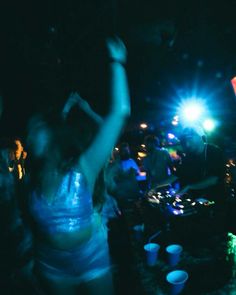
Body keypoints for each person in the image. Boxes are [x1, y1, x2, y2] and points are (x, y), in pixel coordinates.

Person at [26, 36, 130, 295]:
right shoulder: (33, 176)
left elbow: (119, 113)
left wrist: (117, 62)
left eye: (36, 129)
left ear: (51, 135)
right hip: (51, 265)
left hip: (91, 259)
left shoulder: (82, 169)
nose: (29, 136)